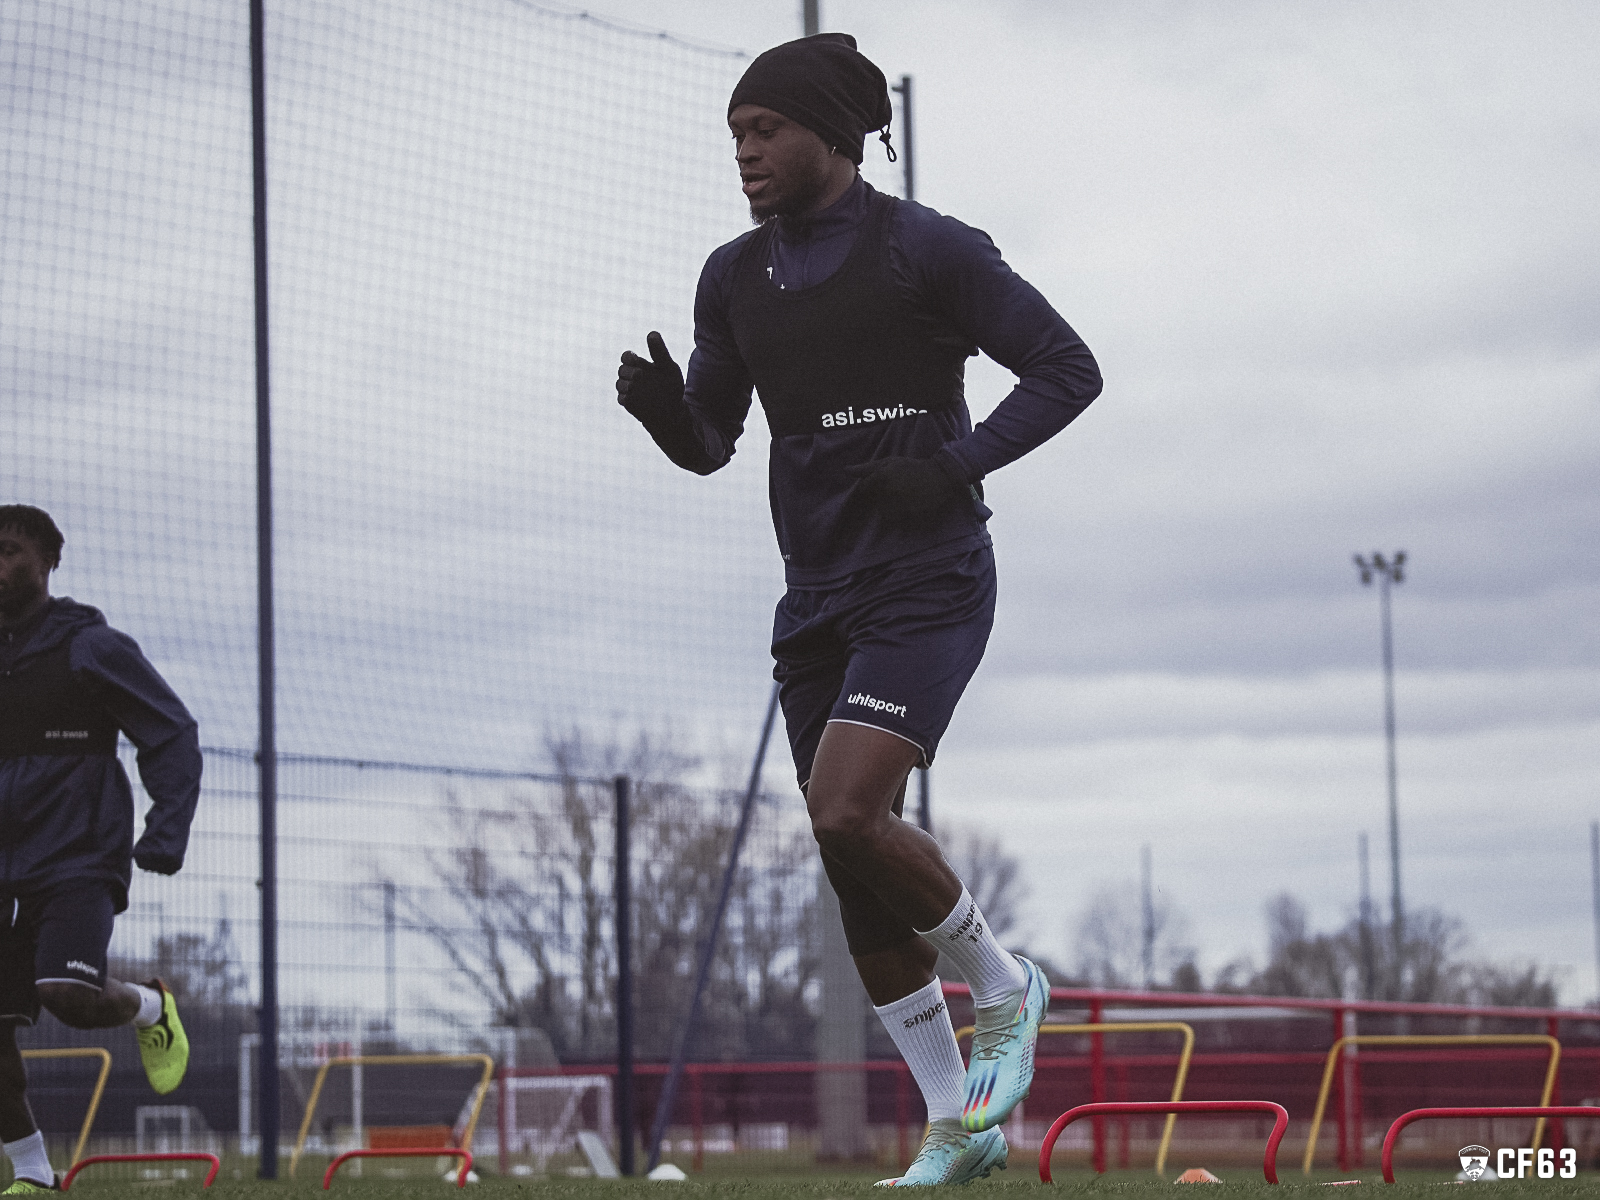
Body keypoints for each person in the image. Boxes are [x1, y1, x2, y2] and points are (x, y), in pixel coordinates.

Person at [616, 32, 1101, 1186]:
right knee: (855, 870)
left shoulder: (925, 248)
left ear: (830, 134)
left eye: (764, 130)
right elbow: (710, 440)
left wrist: (958, 462)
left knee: (845, 811)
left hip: (928, 575)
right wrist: (658, 417)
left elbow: (1066, 367)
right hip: (816, 593)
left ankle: (1002, 983)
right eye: (734, 135)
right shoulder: (731, 277)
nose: (745, 153)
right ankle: (956, 1127)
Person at [0, 506, 202, 1193]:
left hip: (76, 852)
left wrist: (166, 829)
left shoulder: (91, 646)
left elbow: (170, 731)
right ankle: (32, 1174)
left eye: (8, 552)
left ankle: (149, 1007)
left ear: (49, 561)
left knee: (66, 993)